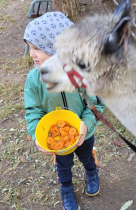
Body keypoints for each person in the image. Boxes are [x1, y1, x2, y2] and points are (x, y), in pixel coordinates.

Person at [23, 12, 105, 210]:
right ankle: (66, 188)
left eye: (37, 48)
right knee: (63, 166)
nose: (31, 54)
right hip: (57, 141)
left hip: (84, 134)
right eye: (30, 47)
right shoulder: (34, 80)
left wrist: (86, 123)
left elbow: (96, 103)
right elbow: (33, 110)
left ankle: (91, 171)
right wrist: (36, 135)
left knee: (86, 156)